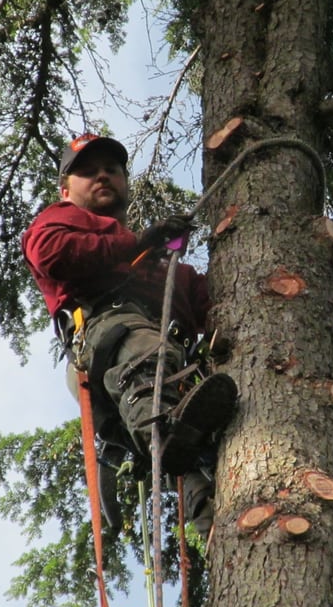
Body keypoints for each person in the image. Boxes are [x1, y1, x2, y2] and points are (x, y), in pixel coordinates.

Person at [21, 133, 237, 535]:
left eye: (112, 170)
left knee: (200, 449)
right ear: (65, 190)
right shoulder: (63, 220)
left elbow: (211, 305)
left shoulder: (162, 269)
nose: (102, 176)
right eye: (87, 172)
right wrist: (135, 242)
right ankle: (162, 429)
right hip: (111, 340)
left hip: (164, 364)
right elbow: (50, 253)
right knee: (146, 354)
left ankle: (214, 515)